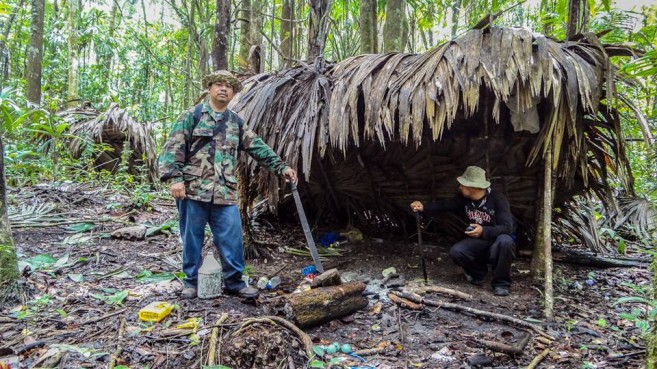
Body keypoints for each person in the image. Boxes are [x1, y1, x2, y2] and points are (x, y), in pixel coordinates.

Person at [158, 70, 298, 299]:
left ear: (233, 93)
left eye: (229, 86)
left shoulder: (236, 122)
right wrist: (175, 179)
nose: (224, 89)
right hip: (193, 191)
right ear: (210, 88)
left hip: (224, 192)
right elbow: (171, 149)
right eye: (219, 85)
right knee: (192, 237)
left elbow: (257, 147)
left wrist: (281, 166)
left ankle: (234, 282)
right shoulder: (192, 116)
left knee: (231, 237)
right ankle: (191, 282)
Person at [410, 166, 515, 296]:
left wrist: (483, 230)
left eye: (463, 185)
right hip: (479, 241)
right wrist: (423, 208)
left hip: (497, 240)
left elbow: (507, 228)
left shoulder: (498, 199)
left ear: (473, 187)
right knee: (457, 252)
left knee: (506, 241)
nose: (460, 187)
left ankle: (501, 283)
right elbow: (446, 205)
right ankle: (478, 274)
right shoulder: (463, 197)